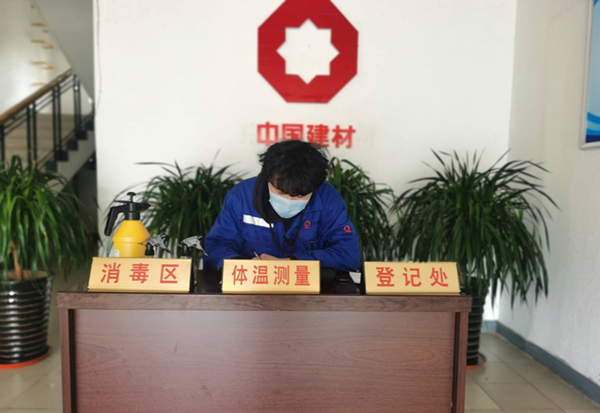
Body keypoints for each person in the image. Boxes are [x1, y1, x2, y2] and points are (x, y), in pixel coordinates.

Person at [204, 141, 361, 272]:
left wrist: (290, 263)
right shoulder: (241, 196)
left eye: (300, 195)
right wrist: (242, 264)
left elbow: (348, 255)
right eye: (281, 192)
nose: (289, 200)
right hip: (252, 284)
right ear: (268, 178)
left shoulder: (329, 199)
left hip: (308, 288)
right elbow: (215, 246)